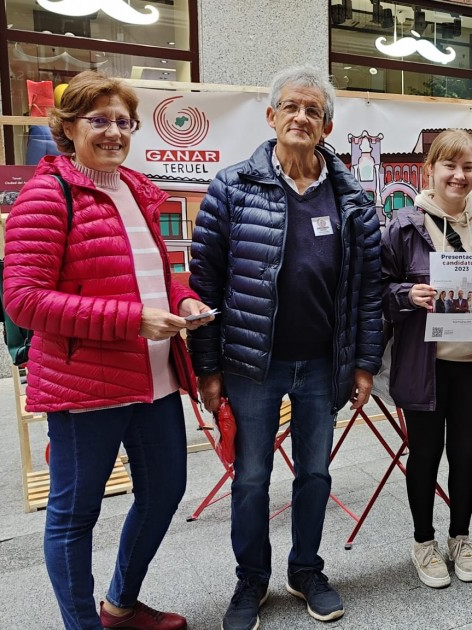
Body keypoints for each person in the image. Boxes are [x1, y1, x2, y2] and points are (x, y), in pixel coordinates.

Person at [3, 70, 213, 630]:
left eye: (123, 121)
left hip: (156, 380)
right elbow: (22, 301)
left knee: (165, 491)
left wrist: (185, 300)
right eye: (99, 120)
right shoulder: (46, 195)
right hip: (85, 388)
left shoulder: (136, 190)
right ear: (68, 127)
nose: (114, 132)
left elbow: (158, 277)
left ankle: (120, 605)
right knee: (75, 517)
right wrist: (131, 321)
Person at [188, 66, 383, 628]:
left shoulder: (351, 196)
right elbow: (204, 284)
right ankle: (250, 581)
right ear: (271, 117)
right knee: (250, 476)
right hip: (253, 363)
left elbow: (368, 288)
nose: (302, 117)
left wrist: (365, 363)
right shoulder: (232, 187)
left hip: (323, 363)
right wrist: (208, 367)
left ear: (327, 125)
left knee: (315, 474)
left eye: (313, 111)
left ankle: (306, 570)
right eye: (291, 107)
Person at [381, 129, 472, 589]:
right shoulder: (404, 226)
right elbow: (376, 291)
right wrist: (406, 293)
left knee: (466, 454)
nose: (459, 176)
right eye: (449, 166)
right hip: (425, 365)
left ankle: (461, 537)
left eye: (467, 167)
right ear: (430, 171)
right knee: (424, 455)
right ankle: (424, 541)